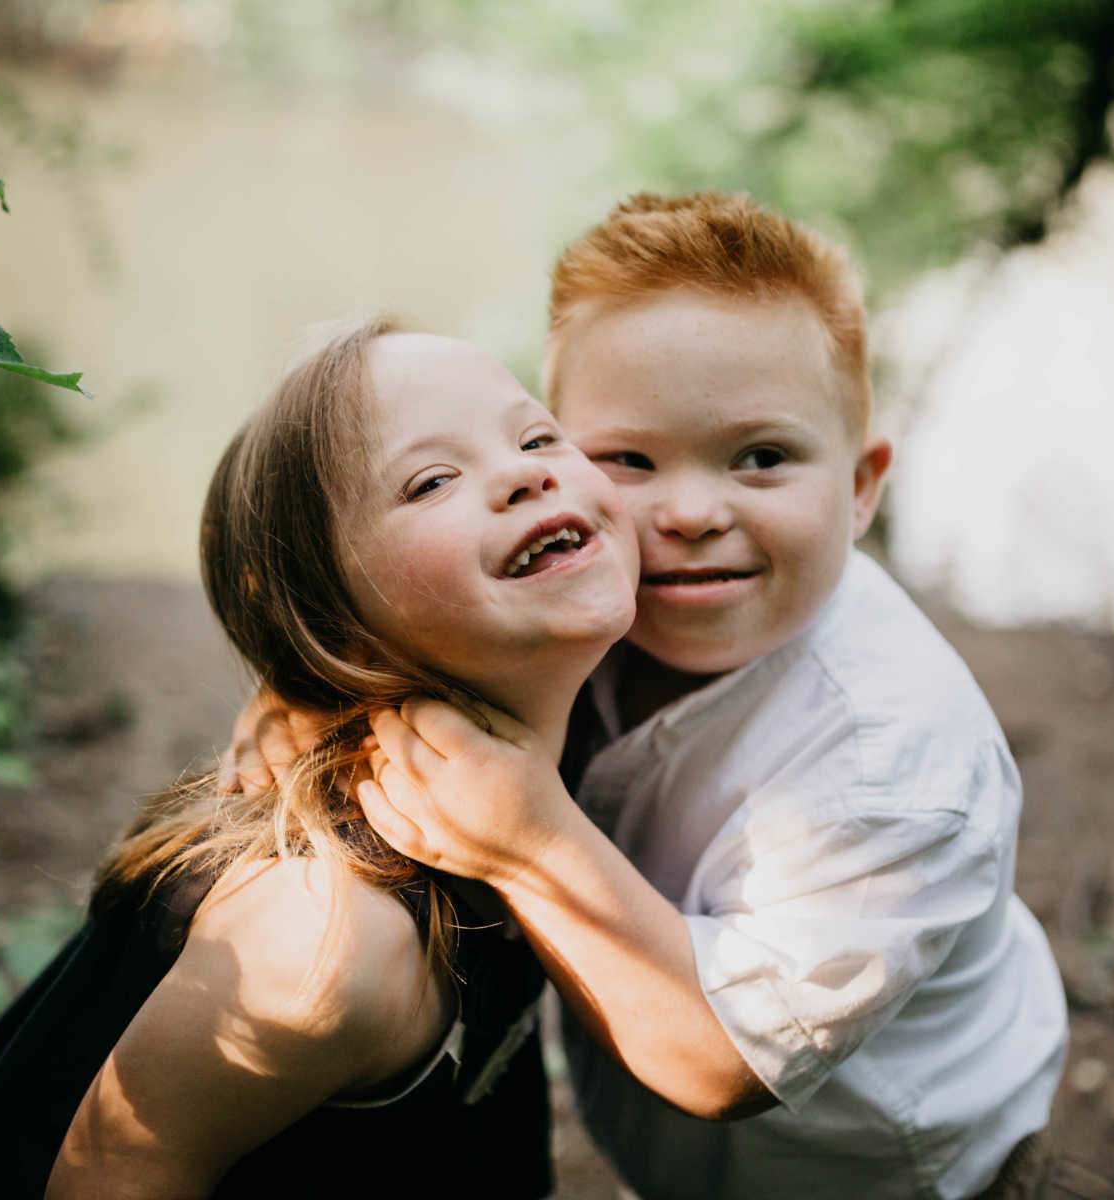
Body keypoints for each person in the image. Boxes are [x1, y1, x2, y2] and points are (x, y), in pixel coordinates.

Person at [228, 193, 1069, 1199]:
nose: (688, 512)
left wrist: (532, 838)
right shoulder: (574, 589)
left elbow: (723, 1059)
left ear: (859, 486)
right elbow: (419, 614)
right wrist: (311, 685)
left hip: (882, 1173)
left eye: (760, 458)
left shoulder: (893, 764)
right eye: (624, 459)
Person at [0, 316, 640, 1200]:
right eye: (431, 481)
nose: (527, 470)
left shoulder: (573, 720)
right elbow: (109, 1178)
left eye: (537, 435)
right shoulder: (326, 937)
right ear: (330, 618)